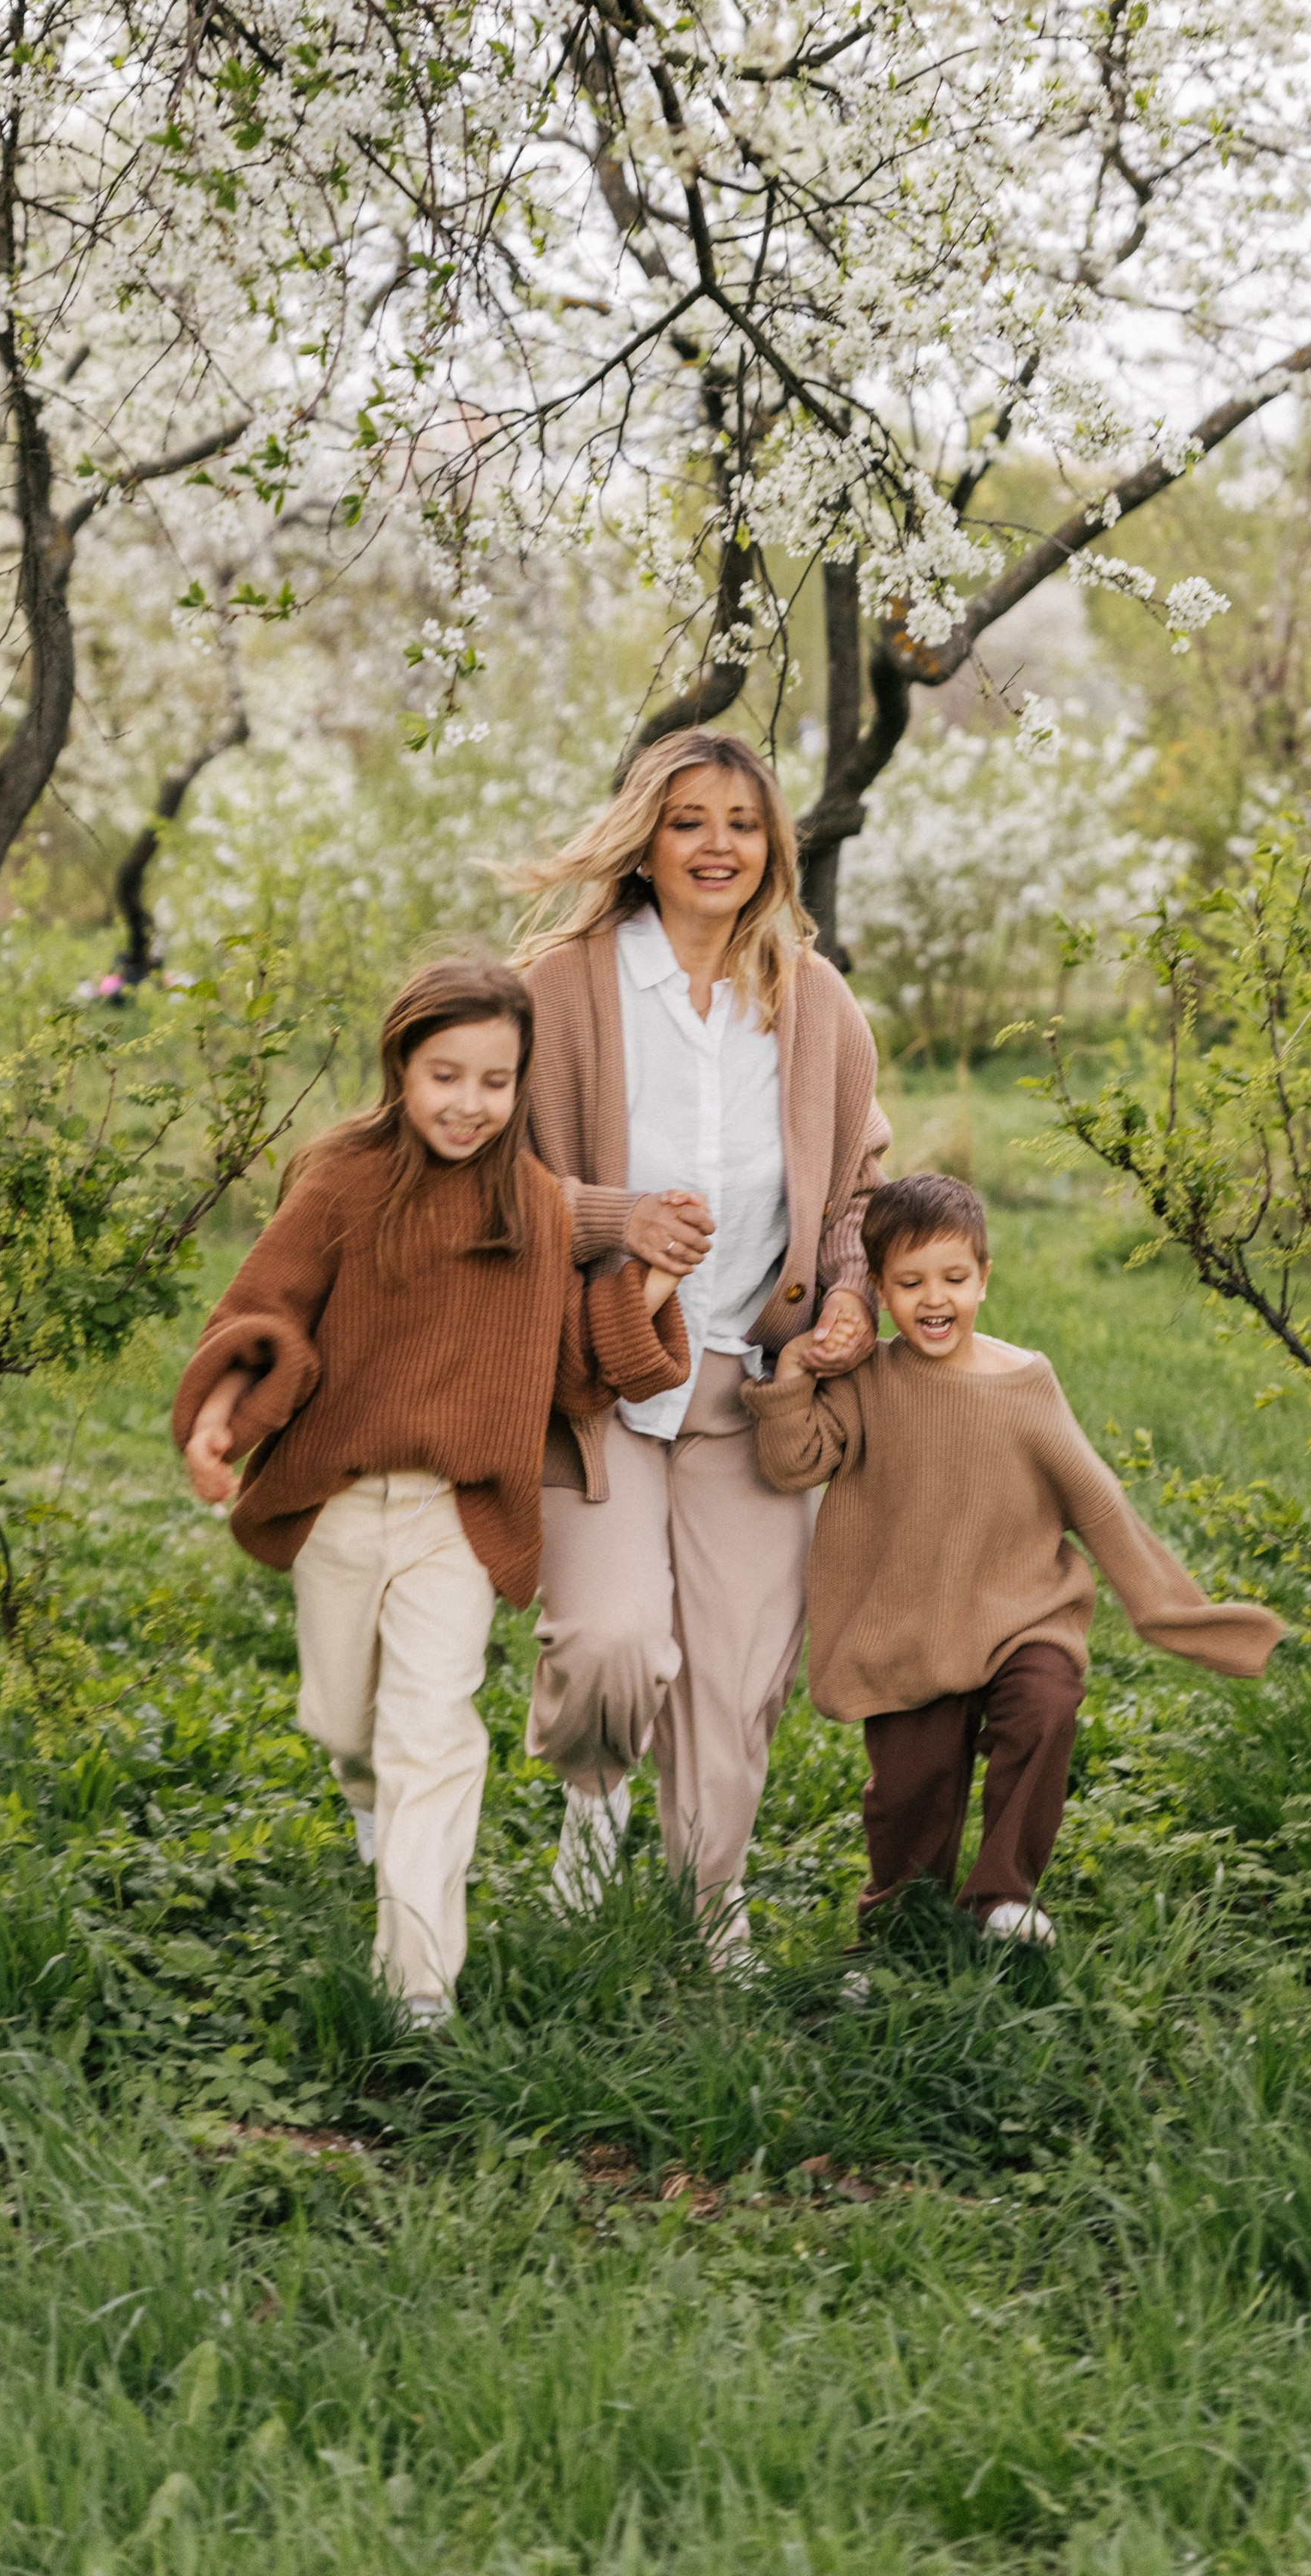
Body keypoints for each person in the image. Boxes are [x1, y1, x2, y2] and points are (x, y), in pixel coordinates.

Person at [172, 960, 689, 2024]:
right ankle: (368, 1807)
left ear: (520, 1085)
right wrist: (224, 1412)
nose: (469, 1103)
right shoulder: (342, 1180)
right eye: (445, 1075)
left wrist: (650, 1290)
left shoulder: (536, 1207)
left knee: (431, 1732)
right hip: (338, 1496)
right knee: (344, 1722)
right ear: (402, 1067)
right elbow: (268, 1309)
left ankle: (417, 1989)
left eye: (495, 1082)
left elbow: (576, 1367)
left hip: (461, 1511)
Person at [511, 727, 887, 1958]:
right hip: (602, 1378)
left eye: (740, 822)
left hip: (752, 1391)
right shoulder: (564, 987)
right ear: (645, 841)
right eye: (688, 821)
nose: (716, 845)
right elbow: (481, 1187)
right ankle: (591, 1807)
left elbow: (854, 1195)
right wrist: (618, 1220)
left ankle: (705, 1907)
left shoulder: (816, 1002)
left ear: (773, 843)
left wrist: (848, 1294)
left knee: (735, 1688)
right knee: (615, 1647)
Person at [744, 1172, 1285, 1942]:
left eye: (954, 1279)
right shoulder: (869, 1381)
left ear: (984, 1280)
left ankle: (1000, 1896)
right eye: (910, 1282)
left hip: (1021, 1613)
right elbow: (795, 1464)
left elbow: (1096, 1502)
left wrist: (1171, 1611)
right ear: (879, 1293)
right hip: (910, 1626)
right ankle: (900, 1924)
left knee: (1045, 1707)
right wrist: (791, 1380)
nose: (935, 1299)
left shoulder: (1024, 1384)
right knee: (910, 1791)